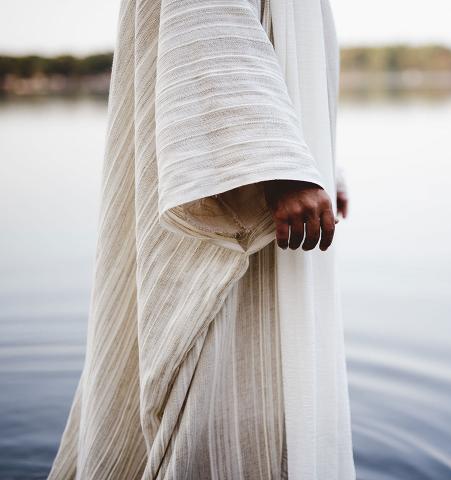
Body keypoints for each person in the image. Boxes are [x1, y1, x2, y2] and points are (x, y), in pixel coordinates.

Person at [47, 0, 355, 478]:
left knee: (256, 374)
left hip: (269, 158)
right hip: (240, 170)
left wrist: (316, 163)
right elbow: (207, 13)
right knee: (213, 369)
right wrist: (279, 167)